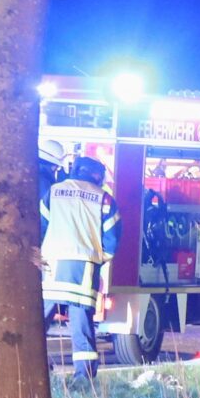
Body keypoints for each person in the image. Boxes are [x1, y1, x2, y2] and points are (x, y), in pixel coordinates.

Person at [40, 153, 119, 382]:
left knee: (38, 323)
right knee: (82, 327)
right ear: (97, 176)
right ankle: (83, 378)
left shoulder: (53, 192)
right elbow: (112, 239)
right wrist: (98, 258)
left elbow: (40, 226)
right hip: (83, 271)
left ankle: (29, 367)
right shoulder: (104, 199)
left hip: (51, 267)